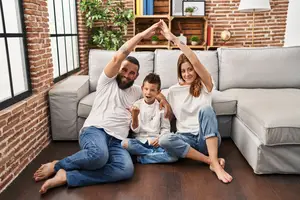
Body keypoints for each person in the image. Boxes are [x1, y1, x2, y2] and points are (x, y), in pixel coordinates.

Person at [33, 21, 171, 194]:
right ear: (118, 69)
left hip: (118, 141)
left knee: (125, 170)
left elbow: (154, 92)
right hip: (95, 130)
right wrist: (143, 35)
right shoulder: (106, 81)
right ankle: (58, 165)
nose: (127, 75)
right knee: (99, 156)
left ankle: (68, 177)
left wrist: (164, 101)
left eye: (132, 73)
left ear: (136, 76)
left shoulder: (137, 91)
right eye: (124, 69)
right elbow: (118, 56)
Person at [157, 20, 233, 183]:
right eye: (183, 71)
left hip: (205, 138)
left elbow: (196, 60)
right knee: (165, 139)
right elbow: (153, 92)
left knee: (206, 110)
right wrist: (163, 99)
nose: (187, 74)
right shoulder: (173, 90)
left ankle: (214, 163)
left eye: (190, 69)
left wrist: (174, 40)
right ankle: (211, 161)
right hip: (185, 140)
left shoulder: (206, 84)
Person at [121, 73, 178, 164]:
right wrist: (135, 116)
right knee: (125, 143)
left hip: (156, 143)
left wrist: (160, 139)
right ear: (142, 88)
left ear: (158, 92)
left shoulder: (161, 108)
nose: (148, 93)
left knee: (174, 157)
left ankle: (140, 158)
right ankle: (152, 155)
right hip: (139, 142)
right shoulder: (137, 105)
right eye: (146, 89)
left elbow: (165, 128)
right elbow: (135, 131)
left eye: (152, 90)